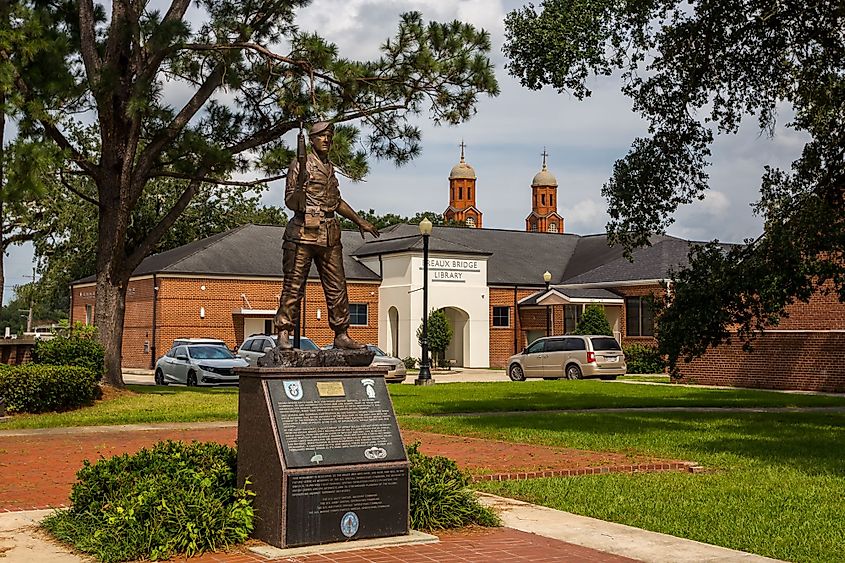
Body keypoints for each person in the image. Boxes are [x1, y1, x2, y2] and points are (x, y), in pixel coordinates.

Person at [274, 121, 379, 349]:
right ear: (311, 140)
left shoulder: (329, 167)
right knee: (293, 286)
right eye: (322, 136)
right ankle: (283, 332)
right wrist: (301, 188)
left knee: (337, 286)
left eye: (329, 136)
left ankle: (341, 334)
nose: (327, 140)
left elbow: (336, 201)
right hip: (302, 233)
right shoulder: (300, 165)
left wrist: (359, 220)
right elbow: (290, 201)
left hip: (330, 234)